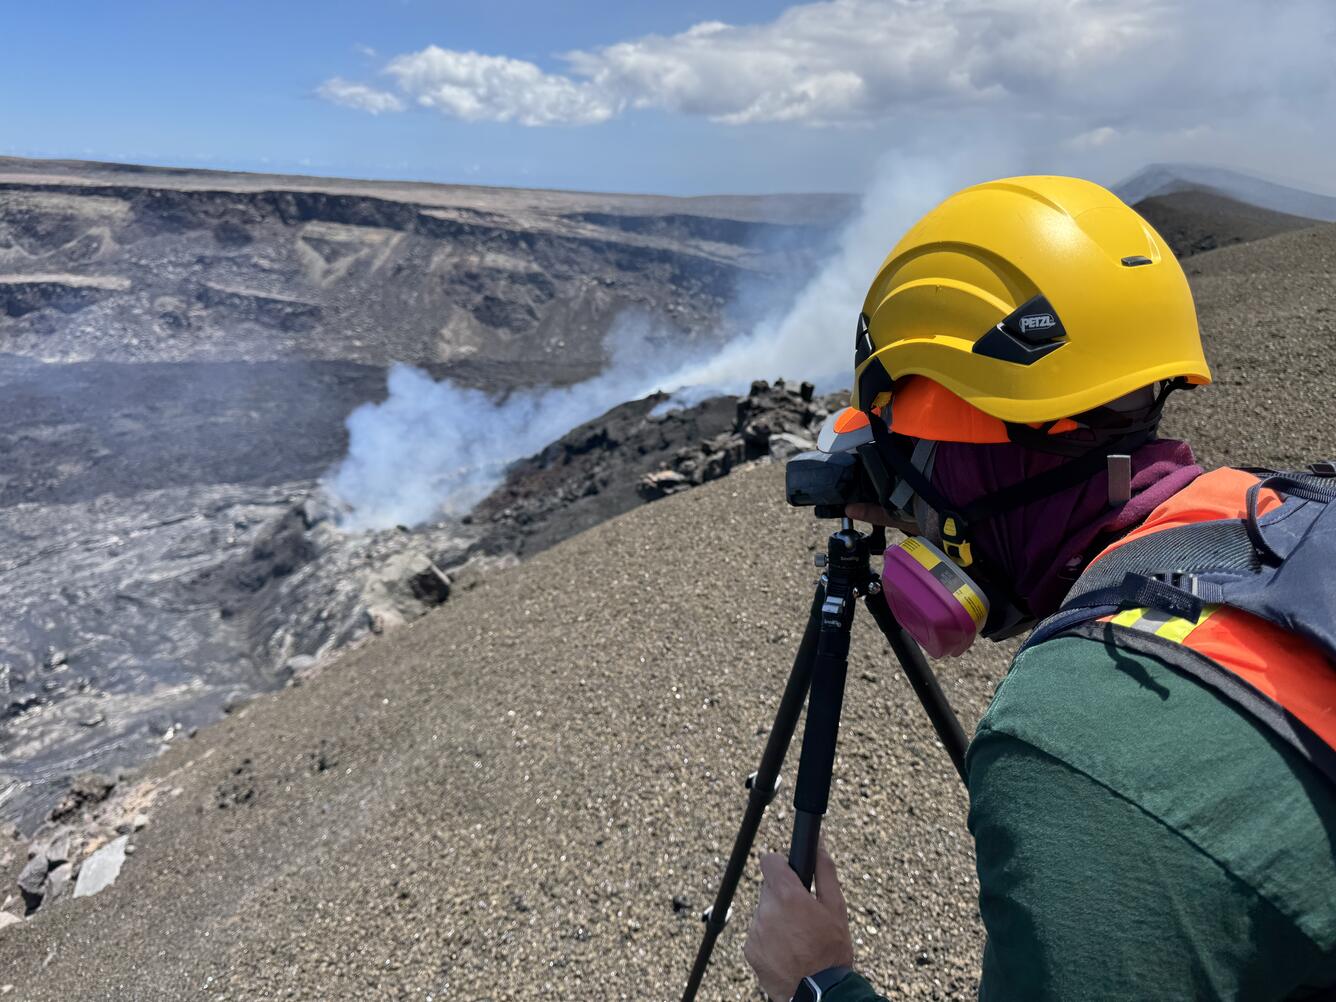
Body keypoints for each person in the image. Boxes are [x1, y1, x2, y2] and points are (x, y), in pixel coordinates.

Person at [743, 176, 1336, 1001]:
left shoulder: (1074, 748)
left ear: (974, 442)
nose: (907, 499)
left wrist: (819, 985)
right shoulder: (1286, 520)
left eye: (914, 449)